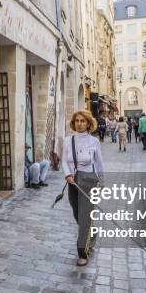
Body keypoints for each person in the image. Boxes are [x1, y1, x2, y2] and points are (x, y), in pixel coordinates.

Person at [62, 110, 104, 267]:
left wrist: (102, 182)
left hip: (89, 181)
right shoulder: (68, 141)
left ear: (88, 123)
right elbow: (64, 161)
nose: (79, 123)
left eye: (83, 121)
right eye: (77, 121)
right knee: (78, 214)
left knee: (85, 218)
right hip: (73, 181)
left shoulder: (94, 142)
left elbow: (99, 164)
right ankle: (92, 234)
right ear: (74, 123)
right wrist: (67, 175)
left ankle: (82, 252)